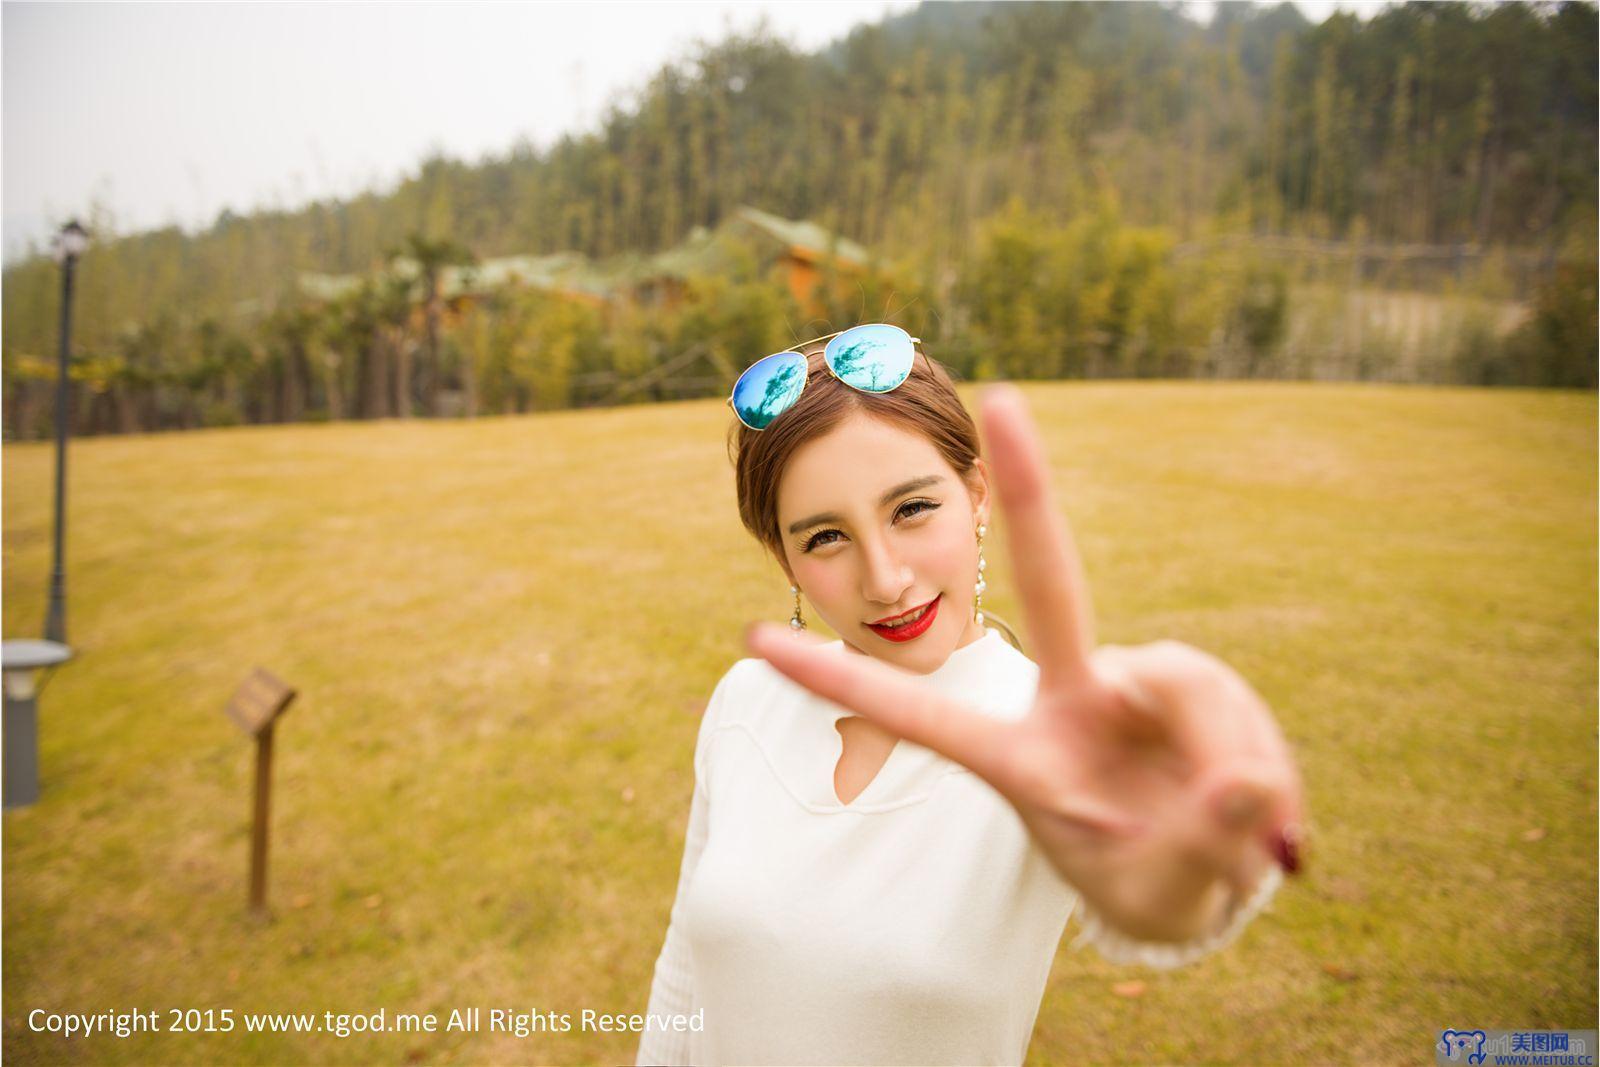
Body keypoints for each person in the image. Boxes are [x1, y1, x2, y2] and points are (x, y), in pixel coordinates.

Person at [636, 324, 1307, 1067]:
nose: (885, 579)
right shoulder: (745, 701)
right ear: (784, 558)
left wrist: (1183, 890)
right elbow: (684, 977)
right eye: (826, 536)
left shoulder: (1047, 741)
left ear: (977, 494)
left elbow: (1159, 906)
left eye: (912, 509)